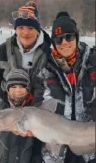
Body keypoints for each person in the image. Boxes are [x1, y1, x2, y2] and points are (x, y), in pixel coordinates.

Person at [32, 12, 96, 163]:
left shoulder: (92, 62)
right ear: (53, 42)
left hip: (89, 144)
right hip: (56, 148)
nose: (64, 43)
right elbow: (38, 104)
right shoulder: (44, 69)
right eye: (59, 39)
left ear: (77, 37)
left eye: (69, 37)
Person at [0, 0, 51, 105]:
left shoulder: (48, 54)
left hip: (36, 110)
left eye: (31, 28)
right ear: (16, 30)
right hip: (7, 108)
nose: (25, 33)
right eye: (21, 28)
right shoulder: (2, 50)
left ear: (38, 31)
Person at [0, 68, 43, 163]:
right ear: (7, 89)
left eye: (22, 86)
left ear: (28, 89)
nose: (18, 91)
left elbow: (39, 148)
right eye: (13, 86)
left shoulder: (37, 112)